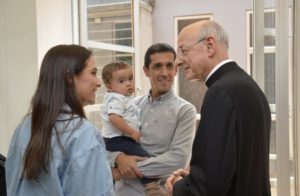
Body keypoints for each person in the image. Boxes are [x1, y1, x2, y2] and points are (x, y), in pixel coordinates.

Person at [166, 20, 271, 196]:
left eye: (183, 51)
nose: (177, 61)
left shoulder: (220, 93)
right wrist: (192, 179)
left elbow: (209, 186)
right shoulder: (246, 85)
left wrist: (178, 187)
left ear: (209, 46)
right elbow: (234, 167)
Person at [5, 44, 114, 196]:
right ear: (69, 77)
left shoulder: (24, 126)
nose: (98, 82)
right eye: (93, 73)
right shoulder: (83, 134)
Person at [108, 43, 197, 196]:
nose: (165, 72)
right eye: (157, 66)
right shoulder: (131, 105)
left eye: (169, 66)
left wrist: (123, 169)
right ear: (146, 71)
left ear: (175, 70)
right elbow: (109, 142)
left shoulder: (185, 111)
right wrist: (118, 157)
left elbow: (177, 159)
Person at [100, 61, 161, 194]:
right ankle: (152, 187)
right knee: (144, 157)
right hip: (117, 139)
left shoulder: (125, 98)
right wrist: (132, 132)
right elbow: (114, 118)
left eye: (130, 78)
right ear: (109, 86)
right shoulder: (116, 98)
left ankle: (115, 173)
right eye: (121, 81)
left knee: (137, 157)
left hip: (118, 139)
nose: (128, 83)